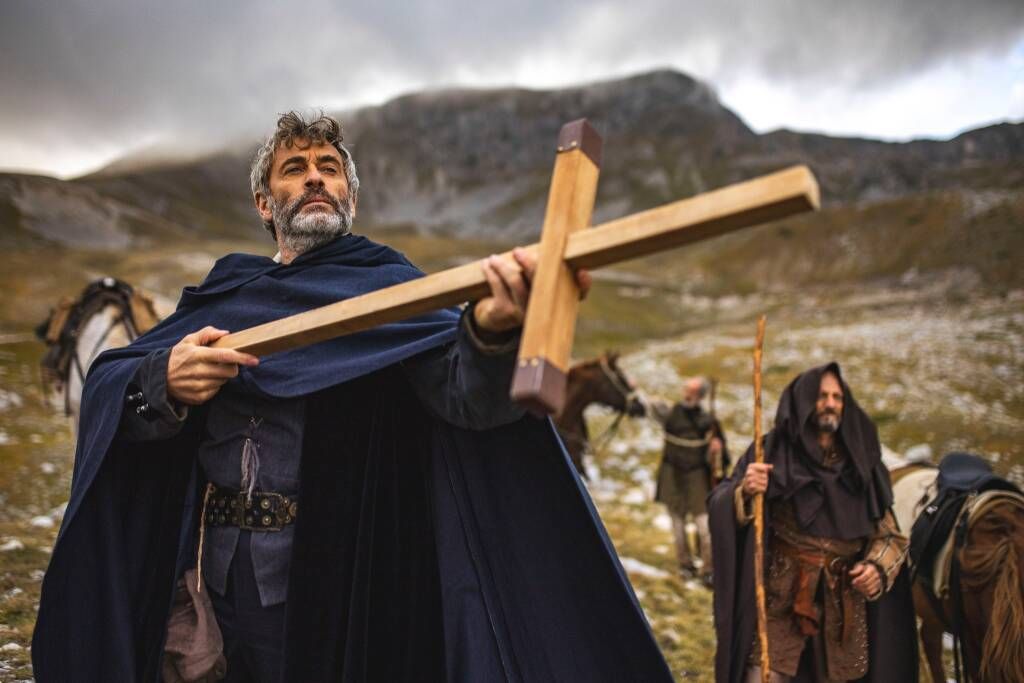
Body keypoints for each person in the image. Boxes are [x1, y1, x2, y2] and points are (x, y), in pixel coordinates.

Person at [32, 112, 674, 682]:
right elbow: (114, 387)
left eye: (329, 168)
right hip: (213, 577)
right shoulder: (226, 292)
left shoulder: (391, 293)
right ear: (264, 203)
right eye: (294, 169)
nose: (315, 177)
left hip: (337, 576)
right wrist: (163, 381)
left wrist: (490, 331)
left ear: (351, 197)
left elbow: (466, 398)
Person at [708, 363, 918, 683]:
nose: (830, 404)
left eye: (837, 397)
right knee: (762, 677)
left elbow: (890, 536)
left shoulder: (862, 462)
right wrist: (746, 491)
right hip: (781, 598)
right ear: (804, 400)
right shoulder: (771, 450)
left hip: (843, 605)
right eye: (821, 396)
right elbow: (721, 501)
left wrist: (876, 568)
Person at [646, 377, 727, 583]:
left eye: (692, 392)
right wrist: (635, 390)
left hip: (697, 479)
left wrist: (716, 450)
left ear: (700, 396)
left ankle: (708, 570)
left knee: (705, 529)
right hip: (672, 476)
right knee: (678, 528)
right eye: (686, 390)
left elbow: (721, 459)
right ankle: (685, 566)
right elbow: (648, 406)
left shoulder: (709, 421)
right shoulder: (672, 413)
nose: (687, 395)